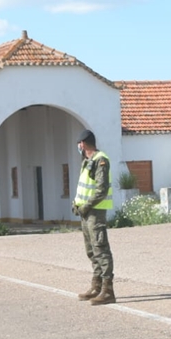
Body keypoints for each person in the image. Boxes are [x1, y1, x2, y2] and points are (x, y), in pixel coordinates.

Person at [72, 129, 116, 305]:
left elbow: (101, 189)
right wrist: (77, 204)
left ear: (82, 144)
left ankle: (108, 290)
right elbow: (84, 187)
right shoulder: (88, 161)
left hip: (95, 212)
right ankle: (96, 286)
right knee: (91, 250)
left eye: (79, 144)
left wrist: (86, 206)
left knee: (101, 249)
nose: (78, 147)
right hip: (85, 212)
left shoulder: (100, 160)